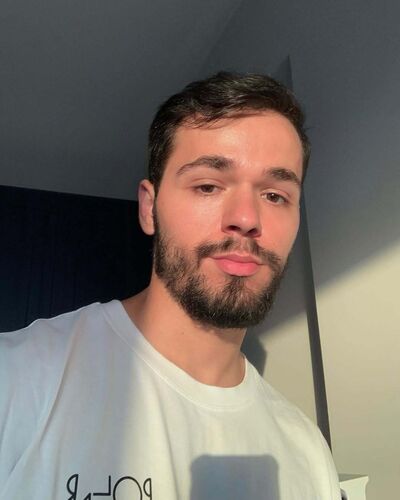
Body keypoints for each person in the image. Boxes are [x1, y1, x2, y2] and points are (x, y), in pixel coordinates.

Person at [0, 72, 341, 499]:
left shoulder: (308, 454)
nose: (247, 218)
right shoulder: (19, 377)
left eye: (275, 195)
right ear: (149, 209)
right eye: (208, 185)